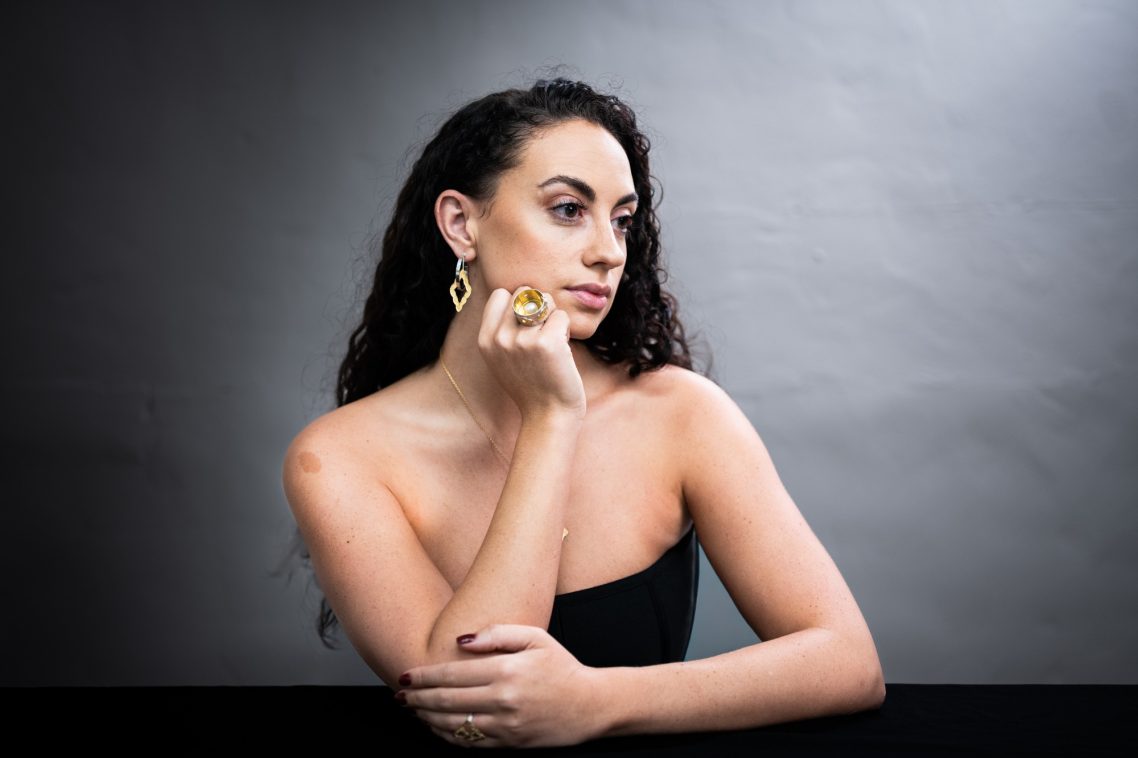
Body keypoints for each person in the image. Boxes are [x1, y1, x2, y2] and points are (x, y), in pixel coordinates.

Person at [281, 77, 885, 748]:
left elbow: (849, 663)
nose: (609, 250)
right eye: (569, 209)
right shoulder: (339, 457)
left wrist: (598, 700)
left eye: (622, 219)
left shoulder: (680, 414)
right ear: (461, 223)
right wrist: (550, 420)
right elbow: (476, 719)